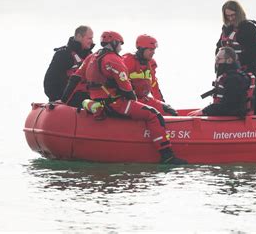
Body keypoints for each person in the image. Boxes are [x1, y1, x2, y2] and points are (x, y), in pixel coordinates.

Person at [61, 31, 186, 165]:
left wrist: (64, 101)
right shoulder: (115, 60)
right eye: (120, 44)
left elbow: (75, 79)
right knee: (153, 114)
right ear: (114, 43)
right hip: (116, 103)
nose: (121, 48)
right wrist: (135, 104)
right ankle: (166, 155)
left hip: (101, 100)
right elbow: (127, 89)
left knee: (168, 111)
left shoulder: (91, 57)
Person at [216, 0, 256, 115]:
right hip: (226, 71)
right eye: (228, 16)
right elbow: (219, 47)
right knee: (225, 96)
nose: (231, 18)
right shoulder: (226, 29)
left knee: (253, 94)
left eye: (233, 15)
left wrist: (238, 66)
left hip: (245, 71)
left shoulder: (248, 28)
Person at [188, 47, 254, 117]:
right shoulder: (228, 76)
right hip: (226, 117)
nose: (216, 62)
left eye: (219, 59)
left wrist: (205, 111)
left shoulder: (234, 79)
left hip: (232, 120)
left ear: (229, 60)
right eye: (216, 58)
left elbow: (229, 106)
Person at [123, 34, 178, 116]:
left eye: (154, 50)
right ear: (141, 49)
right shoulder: (128, 60)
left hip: (144, 99)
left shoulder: (151, 63)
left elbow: (154, 85)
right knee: (152, 114)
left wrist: (161, 103)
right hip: (129, 101)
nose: (153, 52)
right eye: (151, 50)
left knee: (169, 111)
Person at [43, 25, 94, 107]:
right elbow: (50, 80)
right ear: (79, 36)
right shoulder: (63, 54)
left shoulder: (90, 56)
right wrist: (57, 99)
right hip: (66, 102)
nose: (92, 41)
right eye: (89, 38)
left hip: (85, 102)